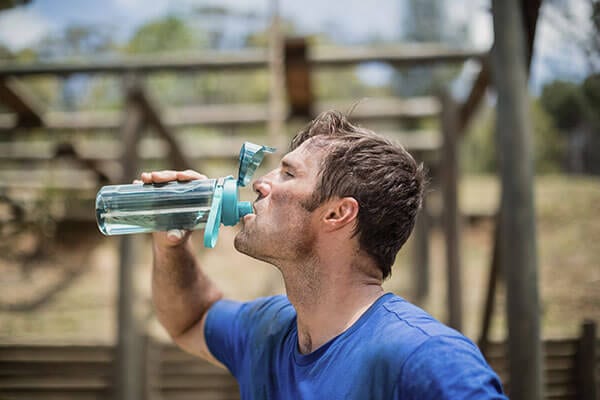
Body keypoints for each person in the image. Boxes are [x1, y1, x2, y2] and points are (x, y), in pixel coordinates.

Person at [143, 111, 507, 399]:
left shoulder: (428, 359)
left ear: (336, 214)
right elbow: (190, 319)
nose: (260, 183)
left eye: (287, 173)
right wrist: (170, 245)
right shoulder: (267, 331)